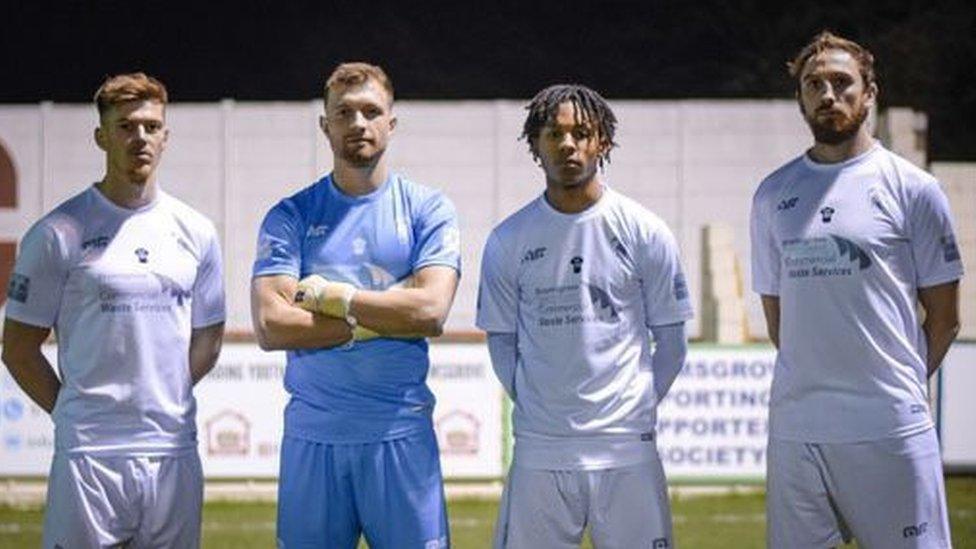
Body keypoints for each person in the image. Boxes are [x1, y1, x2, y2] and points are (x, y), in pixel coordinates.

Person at [750, 31, 963, 548]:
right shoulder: (773, 194)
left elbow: (944, 317)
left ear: (868, 93)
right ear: (800, 98)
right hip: (797, 427)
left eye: (842, 82)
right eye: (813, 84)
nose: (828, 94)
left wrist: (895, 383)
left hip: (889, 423)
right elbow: (780, 318)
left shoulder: (913, 189)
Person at [2, 72, 226, 548]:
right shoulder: (58, 232)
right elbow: (18, 349)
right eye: (125, 126)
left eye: (150, 126)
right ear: (101, 136)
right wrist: (72, 412)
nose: (139, 137)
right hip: (89, 454)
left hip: (171, 449)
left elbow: (209, 335)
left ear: (165, 137)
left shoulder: (197, 231)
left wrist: (164, 390)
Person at [251, 62, 460, 549]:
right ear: (325, 125)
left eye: (371, 111)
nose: (358, 123)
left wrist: (329, 297)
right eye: (344, 113)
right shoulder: (291, 215)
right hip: (313, 438)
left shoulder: (427, 209)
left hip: (401, 436)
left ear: (392, 122)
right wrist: (387, 313)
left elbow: (429, 311)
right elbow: (271, 325)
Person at [476, 84, 693, 549]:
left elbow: (672, 344)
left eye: (582, 132)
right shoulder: (507, 240)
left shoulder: (645, 231)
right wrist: (544, 408)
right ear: (535, 144)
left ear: (603, 142)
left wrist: (633, 409)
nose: (568, 144)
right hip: (541, 450)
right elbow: (501, 345)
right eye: (554, 133)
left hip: (625, 451)